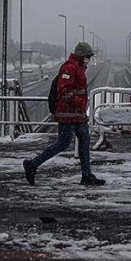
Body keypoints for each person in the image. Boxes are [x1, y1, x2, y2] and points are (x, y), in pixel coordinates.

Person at [23, 42, 105, 186]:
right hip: (68, 114)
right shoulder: (69, 67)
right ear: (81, 55)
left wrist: (80, 106)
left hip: (78, 114)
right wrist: (78, 102)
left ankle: (86, 175)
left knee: (84, 142)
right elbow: (64, 90)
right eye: (87, 56)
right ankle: (32, 164)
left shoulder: (79, 67)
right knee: (63, 143)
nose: (89, 59)